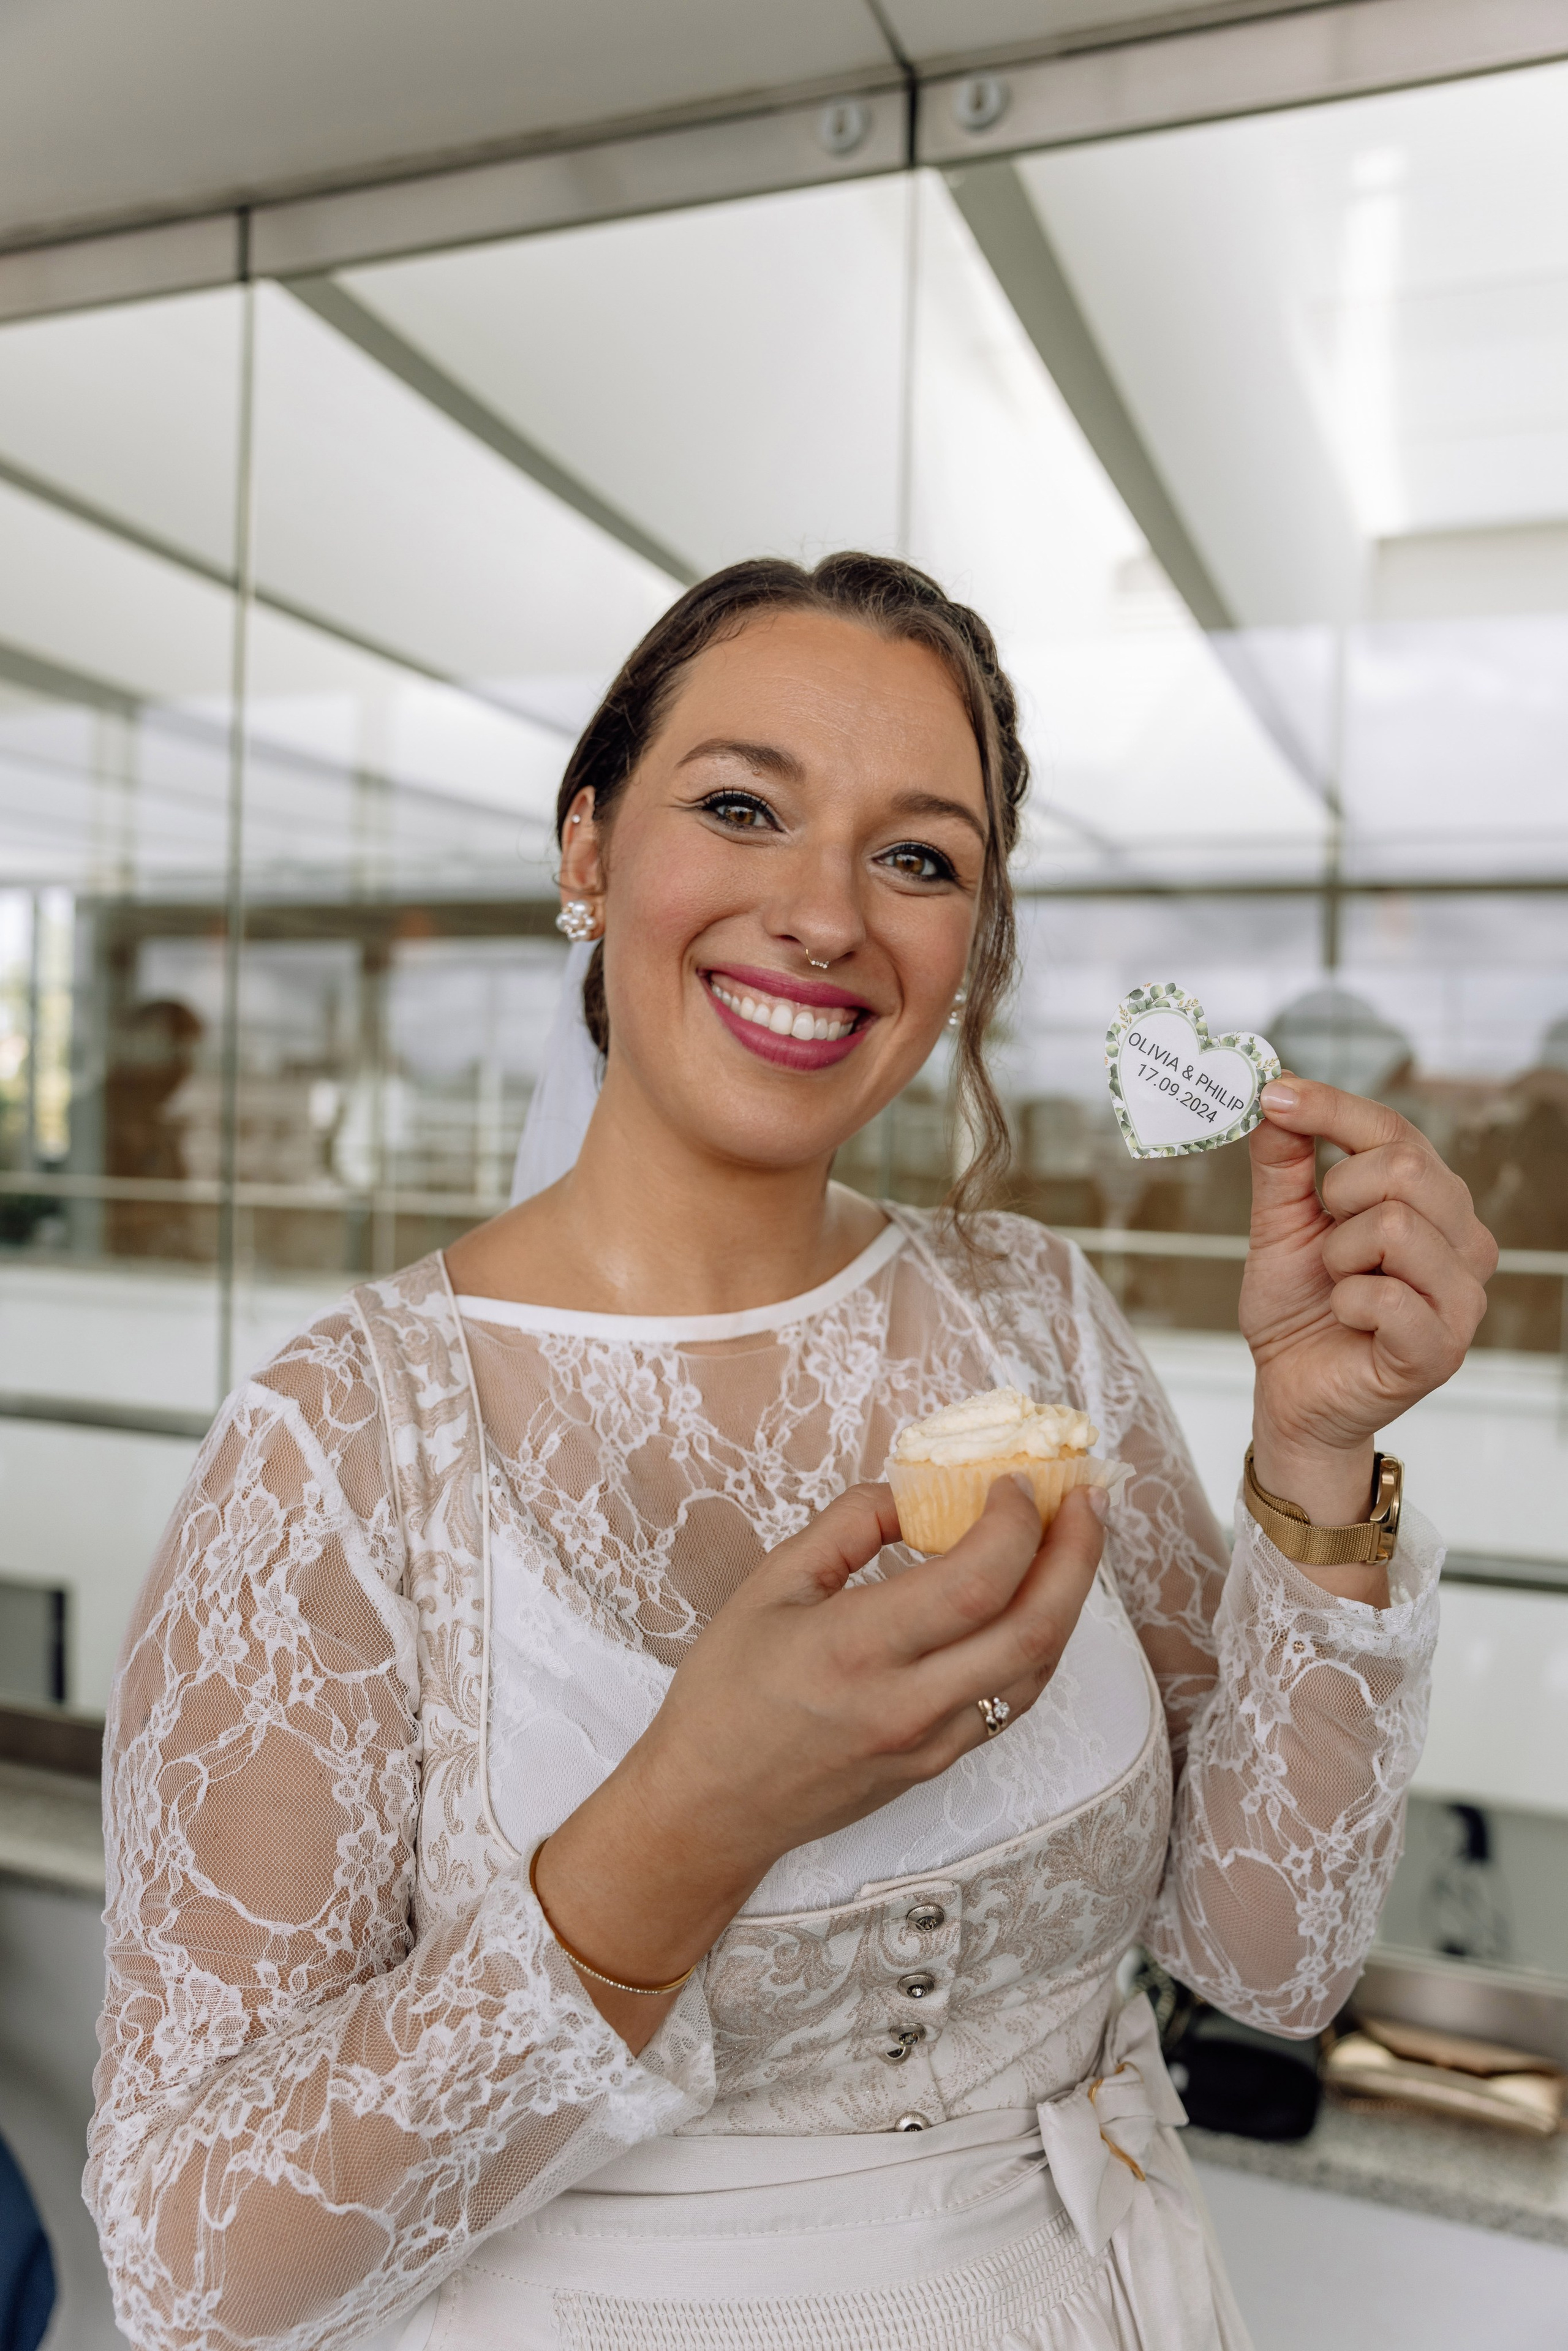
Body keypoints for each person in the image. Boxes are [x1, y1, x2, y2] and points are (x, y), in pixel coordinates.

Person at [86, 555, 1496, 2351]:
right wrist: (692, 1817)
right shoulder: (340, 1448)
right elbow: (192, 2272)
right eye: (743, 807)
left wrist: (1318, 1448)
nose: (828, 913)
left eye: (919, 857)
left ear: (969, 947)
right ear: (587, 847)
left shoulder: (1036, 1318)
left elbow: (1265, 1955)